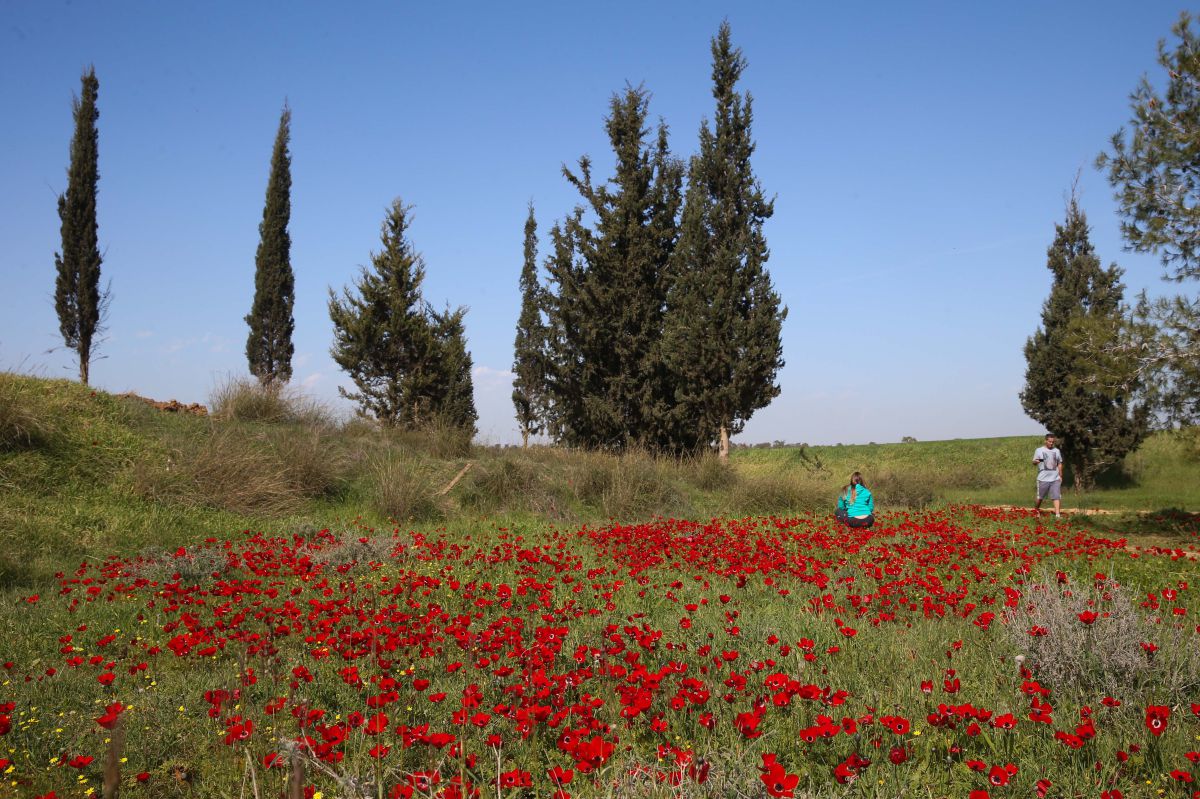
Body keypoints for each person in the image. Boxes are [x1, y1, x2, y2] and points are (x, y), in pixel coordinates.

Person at [1032, 433, 1063, 518]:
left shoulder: (1056, 451)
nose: (1051, 443)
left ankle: (1057, 515)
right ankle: (1036, 510)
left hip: (1055, 478)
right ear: (1045, 441)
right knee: (1040, 497)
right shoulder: (1039, 450)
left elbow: (1059, 463)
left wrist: (1060, 475)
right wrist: (1036, 462)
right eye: (1049, 441)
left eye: (1053, 442)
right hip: (1043, 478)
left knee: (1056, 496)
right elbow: (1034, 461)